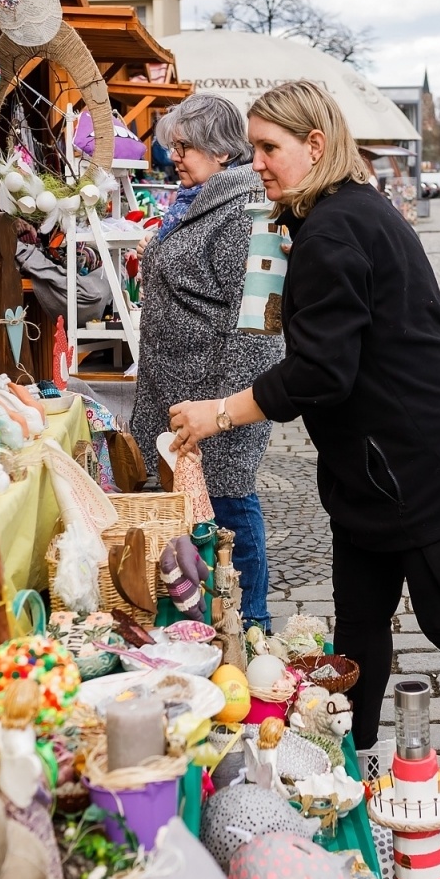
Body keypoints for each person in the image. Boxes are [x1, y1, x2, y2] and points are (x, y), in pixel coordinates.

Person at [167, 79, 440, 860]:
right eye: (254, 148)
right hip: (374, 473)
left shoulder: (339, 226)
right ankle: (356, 760)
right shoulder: (330, 216)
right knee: (358, 624)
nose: (258, 162)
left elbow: (320, 372)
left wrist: (220, 413)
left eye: (270, 148)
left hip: (428, 463)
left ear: (315, 145)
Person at [129, 92, 283, 633]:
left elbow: (260, 329)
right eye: (172, 146)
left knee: (230, 511)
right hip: (180, 395)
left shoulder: (248, 213)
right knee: (199, 516)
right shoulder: (196, 201)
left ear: (221, 151)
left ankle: (251, 628)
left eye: (185, 146)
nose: (174, 156)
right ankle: (204, 626)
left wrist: (225, 413)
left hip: (216, 402)